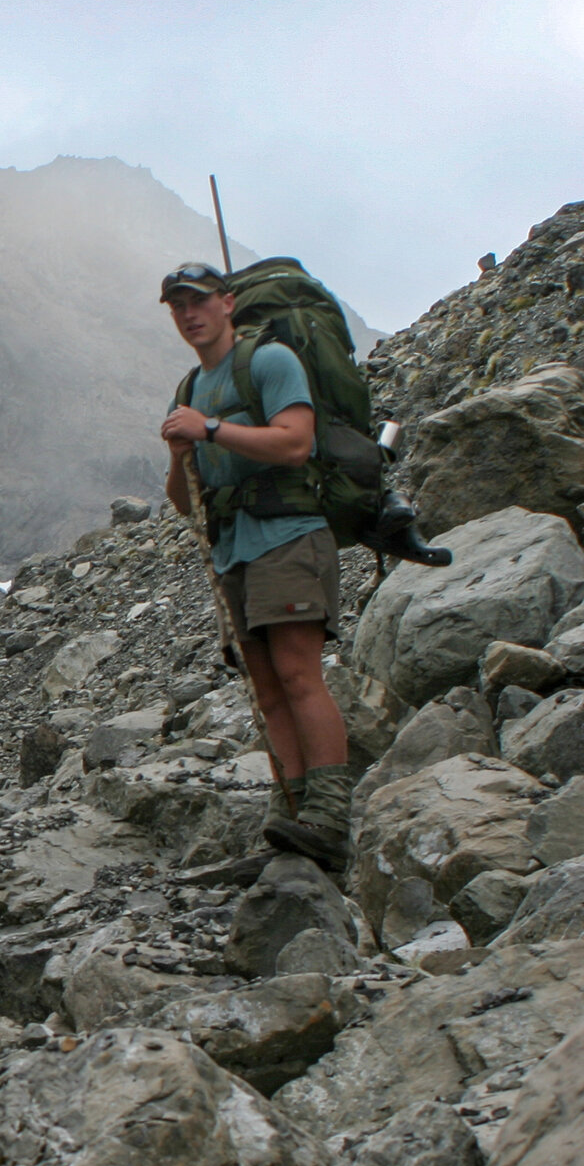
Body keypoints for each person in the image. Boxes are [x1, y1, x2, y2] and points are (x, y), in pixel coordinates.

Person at [157, 261, 351, 866]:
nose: (189, 314)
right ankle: (289, 811)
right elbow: (184, 498)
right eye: (178, 306)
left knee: (298, 673)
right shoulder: (190, 389)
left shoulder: (269, 361)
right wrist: (180, 450)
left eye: (199, 301)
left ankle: (329, 813)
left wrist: (211, 429)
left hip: (288, 536)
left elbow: (296, 442)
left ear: (226, 302)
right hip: (235, 547)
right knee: (266, 688)